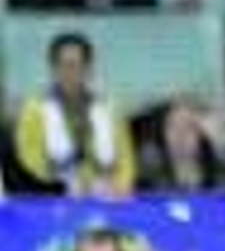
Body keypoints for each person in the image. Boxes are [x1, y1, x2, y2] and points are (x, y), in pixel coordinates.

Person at [12, 31, 137, 195]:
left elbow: (127, 161)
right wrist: (68, 186)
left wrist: (120, 188)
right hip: (54, 200)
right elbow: (28, 161)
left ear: (89, 68)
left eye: (78, 65)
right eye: (64, 65)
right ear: (53, 69)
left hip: (107, 201)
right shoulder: (33, 110)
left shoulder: (109, 109)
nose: (70, 73)